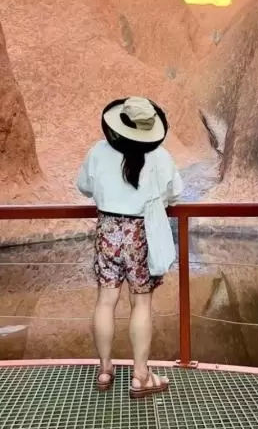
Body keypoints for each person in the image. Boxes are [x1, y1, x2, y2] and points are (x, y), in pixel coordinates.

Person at [76, 97, 184, 398]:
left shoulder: (99, 151)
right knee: (142, 304)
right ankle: (140, 376)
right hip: (142, 232)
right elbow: (176, 192)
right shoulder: (161, 156)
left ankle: (105, 369)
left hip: (108, 230)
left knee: (105, 301)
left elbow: (83, 186)